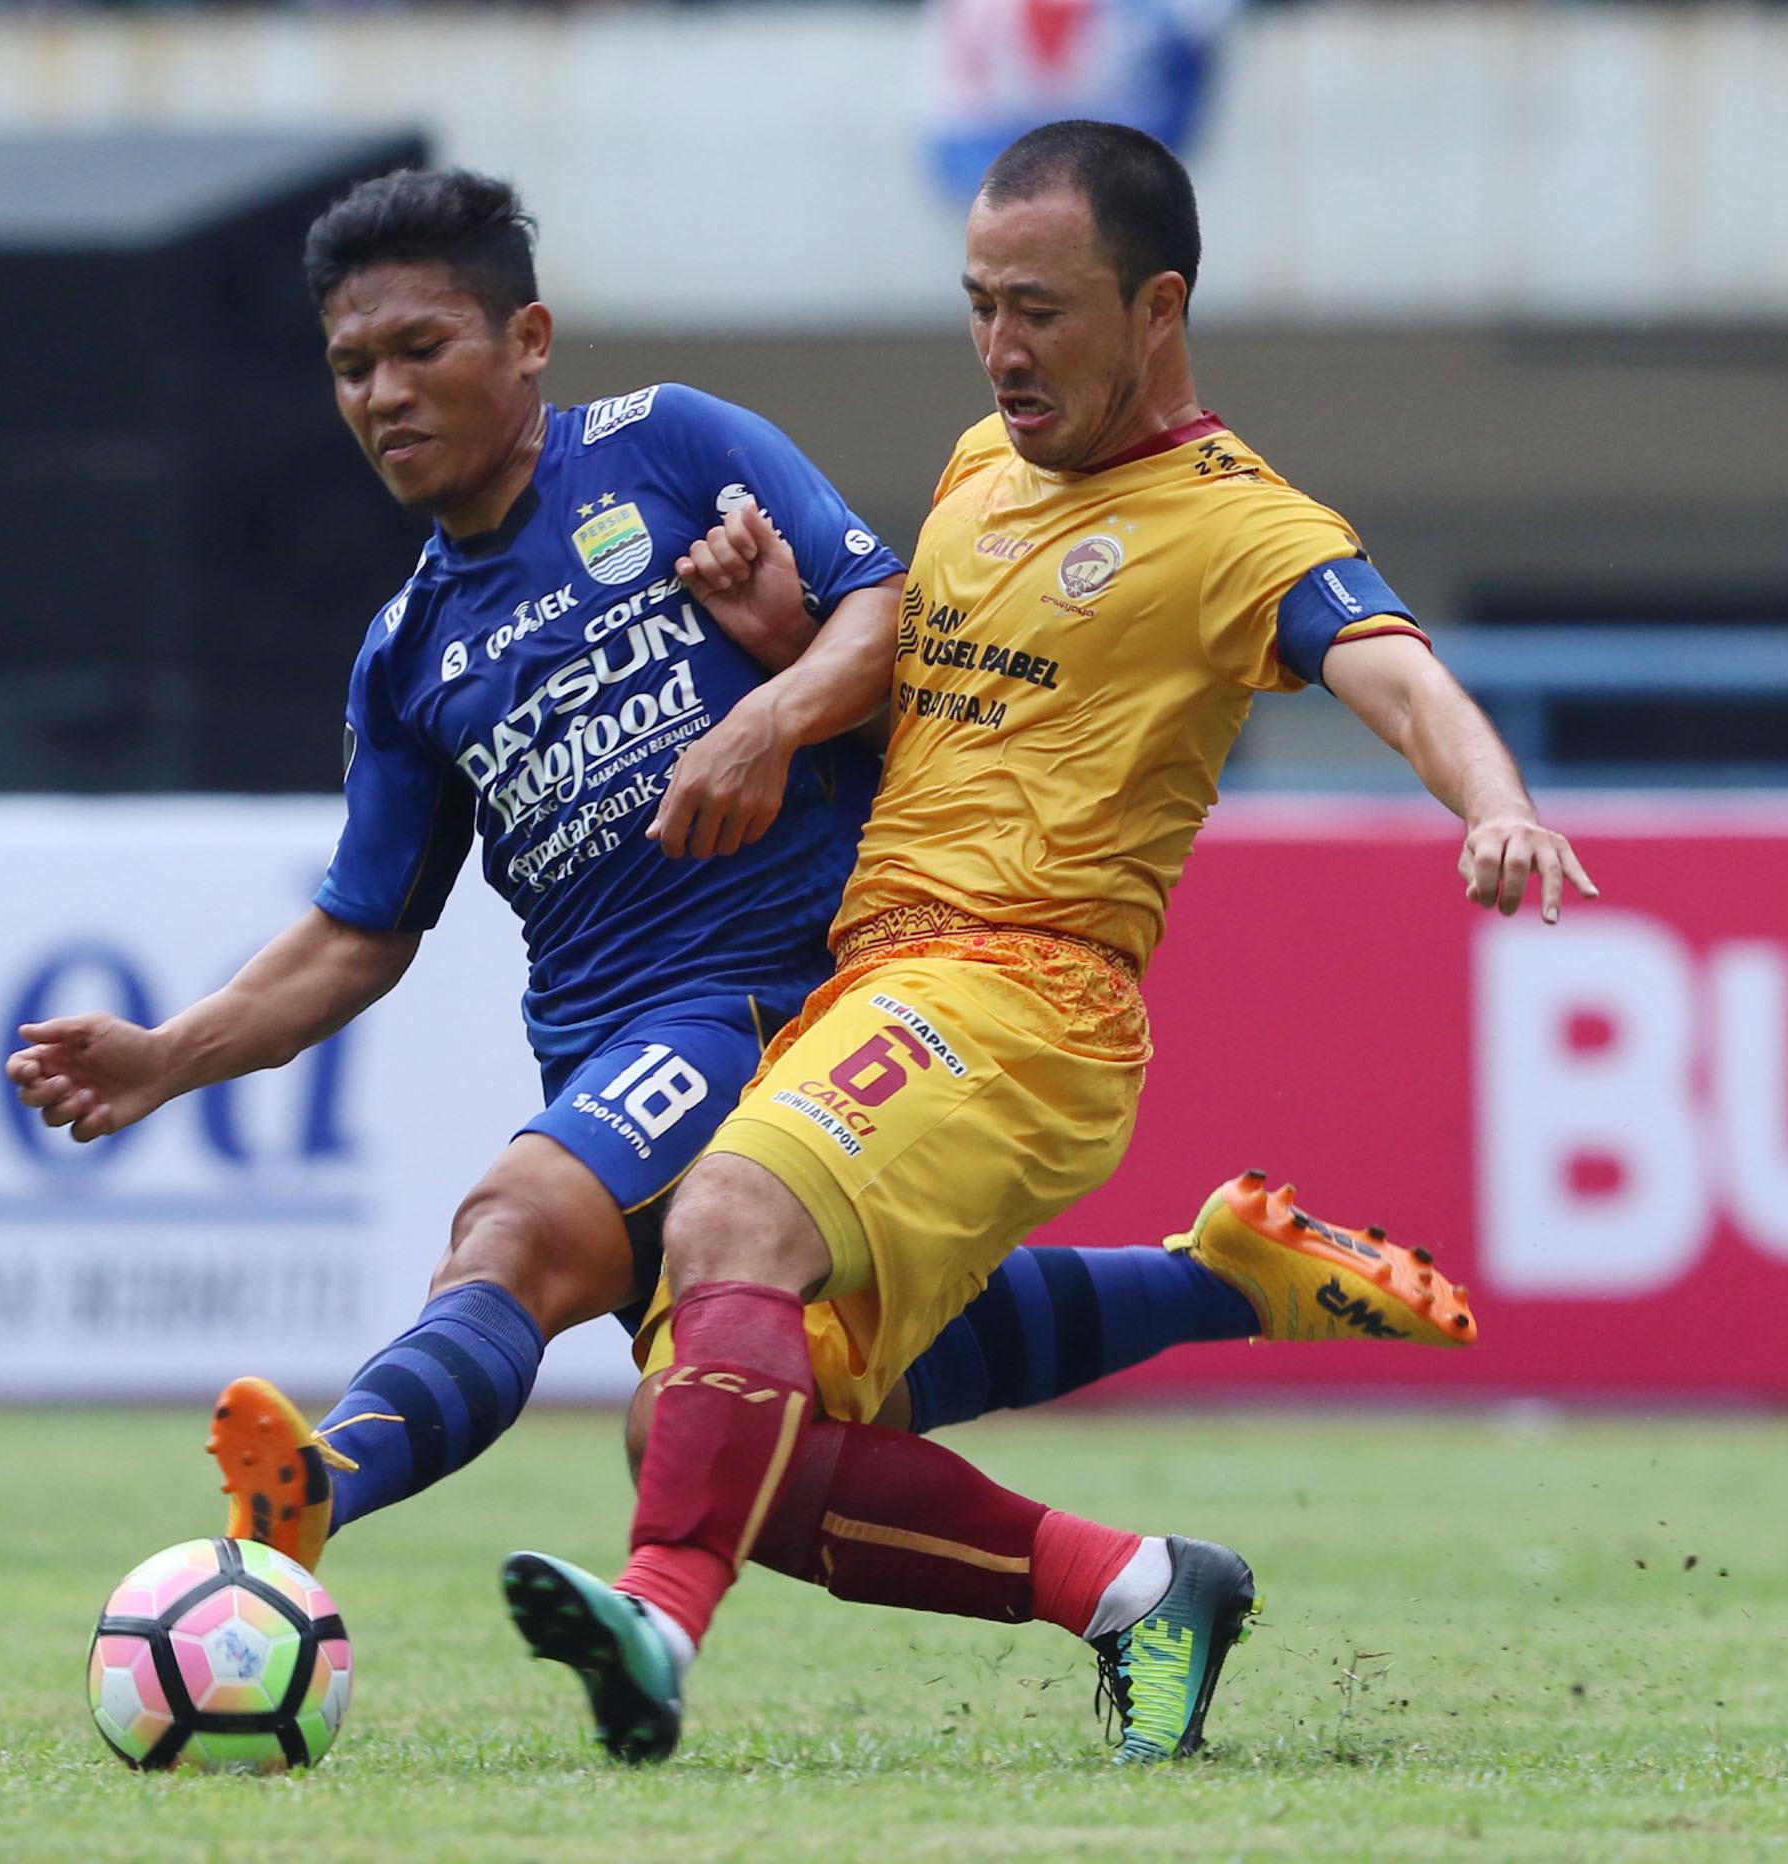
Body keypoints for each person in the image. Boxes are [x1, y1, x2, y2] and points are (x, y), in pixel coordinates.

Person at [1, 170, 1479, 1578]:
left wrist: (767, 716)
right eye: (349, 368)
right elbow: (358, 934)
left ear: (526, 341)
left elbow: (880, 605)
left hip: (770, 998)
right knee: (811, 1404)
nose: (382, 395)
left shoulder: (668, 444)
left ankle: (327, 1479)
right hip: (600, 1041)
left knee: (511, 1233)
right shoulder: (406, 655)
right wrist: (164, 1057)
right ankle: (1177, 1455)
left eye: (416, 347)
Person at [497, 122, 1596, 1767]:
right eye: (978, 305)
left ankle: (657, 1615)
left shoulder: (1238, 523)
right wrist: (786, 645)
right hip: (872, 979)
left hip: (1025, 990)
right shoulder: (971, 468)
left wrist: (1490, 800)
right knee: (713, 1431)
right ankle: (1144, 1577)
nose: (1004, 350)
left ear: (1155, 307)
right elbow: (940, 706)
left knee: (726, 1213)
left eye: (1042, 309)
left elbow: (1391, 664)